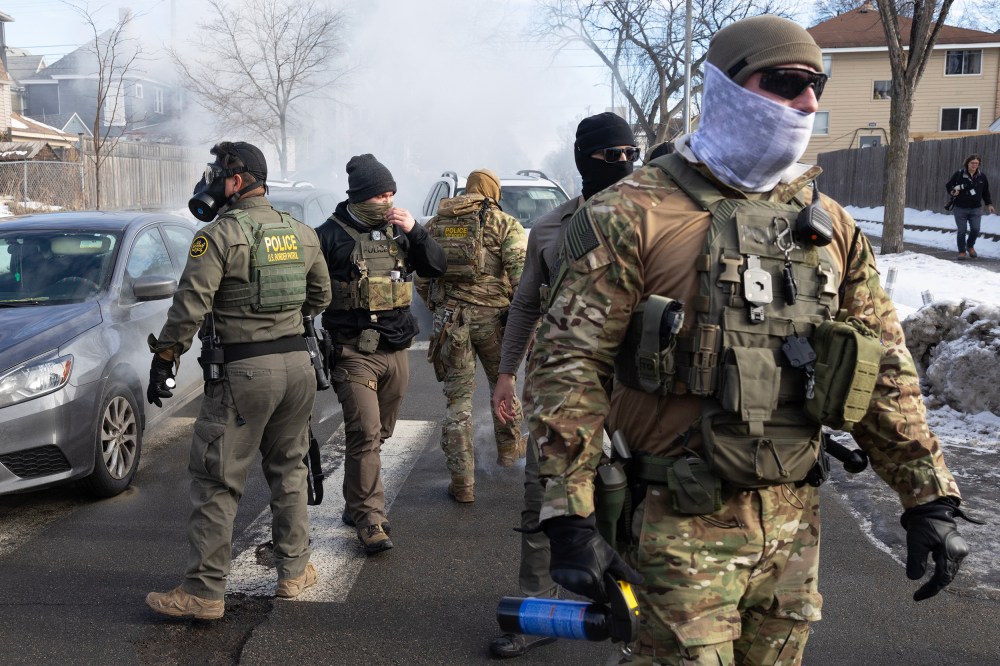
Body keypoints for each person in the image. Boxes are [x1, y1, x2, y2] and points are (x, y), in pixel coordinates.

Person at [527, 16, 974, 664]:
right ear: (727, 89)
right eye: (786, 82)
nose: (808, 103)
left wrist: (927, 496)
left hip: (793, 533)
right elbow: (569, 363)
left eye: (816, 86)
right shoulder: (628, 213)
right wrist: (568, 511)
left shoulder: (829, 225)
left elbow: (882, 368)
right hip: (675, 528)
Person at [145, 141, 332, 620]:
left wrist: (165, 358)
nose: (210, 180)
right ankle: (294, 572)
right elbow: (320, 297)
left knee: (217, 481)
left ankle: (204, 592)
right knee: (289, 470)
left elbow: (190, 306)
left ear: (235, 180)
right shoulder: (301, 232)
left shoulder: (218, 236)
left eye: (217, 173)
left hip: (244, 373)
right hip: (297, 367)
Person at [489, 112, 638, 659]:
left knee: (638, 504)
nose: (623, 164)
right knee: (544, 504)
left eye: (630, 154)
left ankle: (638, 615)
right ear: (583, 160)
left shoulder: (661, 222)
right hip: (563, 394)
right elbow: (526, 304)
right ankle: (536, 611)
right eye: (610, 156)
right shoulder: (552, 229)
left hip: (639, 396)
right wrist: (506, 374)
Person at [316, 154, 447, 555]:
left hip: (396, 348)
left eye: (391, 194)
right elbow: (308, 292)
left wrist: (416, 231)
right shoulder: (328, 235)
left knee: (380, 433)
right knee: (366, 432)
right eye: (379, 196)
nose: (387, 201)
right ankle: (370, 519)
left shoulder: (399, 232)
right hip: (353, 351)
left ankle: (355, 500)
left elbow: (437, 267)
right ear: (358, 196)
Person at [415, 169, 527, 503]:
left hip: (452, 322)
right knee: (502, 384)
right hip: (495, 321)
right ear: (494, 191)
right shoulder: (504, 224)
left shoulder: (436, 224)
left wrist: (439, 306)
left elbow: (422, 279)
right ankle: (509, 453)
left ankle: (462, 482)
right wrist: (523, 322)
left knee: (458, 400)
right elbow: (522, 279)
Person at [945, 154, 994, 259]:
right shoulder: (959, 174)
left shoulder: (982, 176)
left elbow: (986, 192)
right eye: (972, 163)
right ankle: (962, 252)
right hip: (960, 207)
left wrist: (989, 204)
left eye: (976, 163)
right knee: (962, 231)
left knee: (976, 229)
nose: (974, 165)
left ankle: (970, 246)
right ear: (967, 163)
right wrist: (953, 192)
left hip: (976, 208)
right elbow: (949, 186)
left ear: (979, 164)